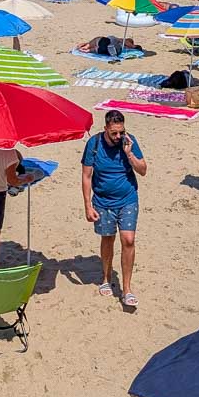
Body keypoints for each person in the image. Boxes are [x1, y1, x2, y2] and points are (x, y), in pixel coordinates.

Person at [81, 109, 147, 308]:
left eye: (121, 132)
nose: (118, 136)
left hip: (128, 199)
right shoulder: (93, 144)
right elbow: (86, 176)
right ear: (105, 129)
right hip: (103, 202)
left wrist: (129, 154)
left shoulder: (129, 142)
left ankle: (126, 289)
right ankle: (106, 277)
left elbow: (143, 170)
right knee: (108, 239)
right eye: (114, 133)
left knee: (128, 240)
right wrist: (87, 205)